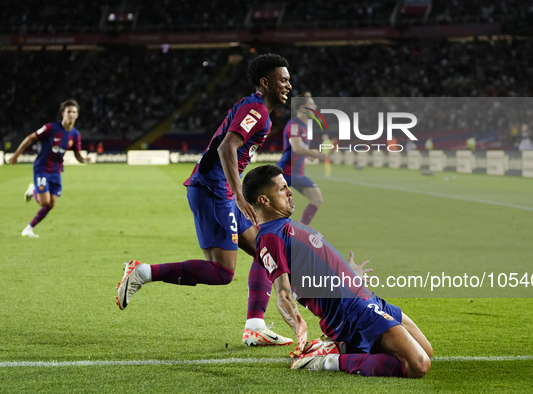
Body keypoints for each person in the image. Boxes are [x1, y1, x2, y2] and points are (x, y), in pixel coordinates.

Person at [116, 54, 294, 347]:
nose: (288, 84)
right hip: (213, 189)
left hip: (218, 189)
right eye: (283, 79)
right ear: (266, 82)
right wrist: (238, 194)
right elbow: (227, 147)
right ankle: (142, 272)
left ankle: (255, 327)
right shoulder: (257, 110)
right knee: (222, 272)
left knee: (267, 250)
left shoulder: (257, 108)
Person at [242, 165, 432, 378]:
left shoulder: (284, 225)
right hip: (352, 310)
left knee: (426, 351)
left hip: (364, 297)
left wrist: (348, 275)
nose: (290, 191)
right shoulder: (270, 238)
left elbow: (312, 268)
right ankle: (326, 360)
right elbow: (283, 293)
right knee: (417, 365)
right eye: (282, 188)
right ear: (264, 200)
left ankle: (340, 347)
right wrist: (297, 324)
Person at [8, 99, 89, 238]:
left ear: (77, 115)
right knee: (44, 202)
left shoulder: (75, 135)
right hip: (42, 169)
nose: (71, 114)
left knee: (51, 204)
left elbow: (77, 154)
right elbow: (30, 138)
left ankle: (28, 229)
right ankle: (33, 189)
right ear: (63, 113)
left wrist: (85, 160)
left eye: (74, 112)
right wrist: (16, 156)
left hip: (56, 171)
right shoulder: (50, 128)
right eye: (69, 111)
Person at [276, 92, 328, 226]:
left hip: (298, 173)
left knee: (317, 199)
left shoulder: (306, 126)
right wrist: (318, 155)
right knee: (274, 209)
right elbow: (297, 148)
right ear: (303, 108)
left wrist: (309, 155)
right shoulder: (294, 124)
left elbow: (301, 148)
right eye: (311, 104)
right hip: (284, 173)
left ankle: (301, 231)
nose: (315, 106)